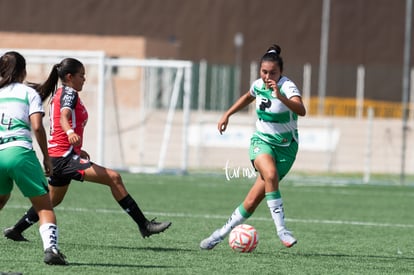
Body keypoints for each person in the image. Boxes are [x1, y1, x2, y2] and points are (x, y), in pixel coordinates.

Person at [4, 57, 171, 242]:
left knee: (52, 200)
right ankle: (144, 225)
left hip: (61, 155)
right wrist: (69, 133)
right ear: (69, 76)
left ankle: (16, 230)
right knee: (114, 178)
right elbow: (63, 118)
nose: (84, 79)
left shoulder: (61, 93)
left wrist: (76, 148)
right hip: (64, 157)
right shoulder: (69, 93)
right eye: (81, 75)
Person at [200, 44, 306, 250]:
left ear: (281, 72)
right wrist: (227, 114)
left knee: (251, 201)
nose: (268, 76)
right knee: (271, 174)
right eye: (264, 72)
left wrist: (281, 97)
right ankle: (282, 230)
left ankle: (218, 234)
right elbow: (248, 96)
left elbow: (301, 110)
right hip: (262, 142)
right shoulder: (259, 85)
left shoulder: (287, 87)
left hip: (286, 148)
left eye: (273, 73)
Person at [0, 51, 67, 265]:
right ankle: (51, 251)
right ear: (23, 71)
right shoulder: (29, 93)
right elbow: (37, 127)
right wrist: (46, 158)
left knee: (1, 200)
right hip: (19, 152)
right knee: (44, 205)